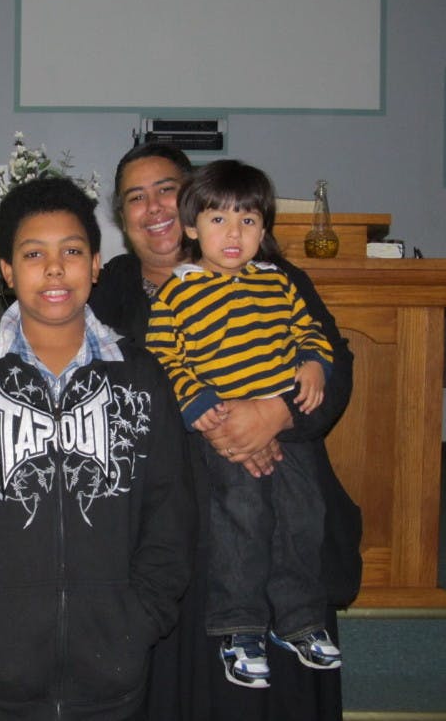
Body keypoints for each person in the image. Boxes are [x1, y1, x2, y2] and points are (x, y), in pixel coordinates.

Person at [89, 142, 362, 721]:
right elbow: (105, 400)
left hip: (279, 513)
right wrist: (214, 424)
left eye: (166, 187)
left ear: (192, 196)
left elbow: (333, 366)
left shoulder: (275, 277)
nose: (153, 206)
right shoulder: (107, 291)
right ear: (121, 215)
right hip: (173, 532)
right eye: (135, 197)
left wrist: (277, 414)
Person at [0, 177, 196, 719]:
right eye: (34, 253)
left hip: (115, 676)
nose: (56, 268)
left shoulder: (141, 378)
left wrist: (144, 615)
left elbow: (171, 513)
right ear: (7, 271)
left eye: (72, 251)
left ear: (96, 265)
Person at [146, 160, 341, 690]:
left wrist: (313, 362)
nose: (234, 234)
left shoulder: (278, 283)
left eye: (248, 221)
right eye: (218, 220)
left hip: (282, 429)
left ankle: (300, 620)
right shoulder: (177, 293)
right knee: (244, 520)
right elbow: (164, 360)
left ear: (264, 229)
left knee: (305, 514)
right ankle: (241, 626)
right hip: (224, 427)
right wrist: (198, 403)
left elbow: (310, 332)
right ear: (191, 227)